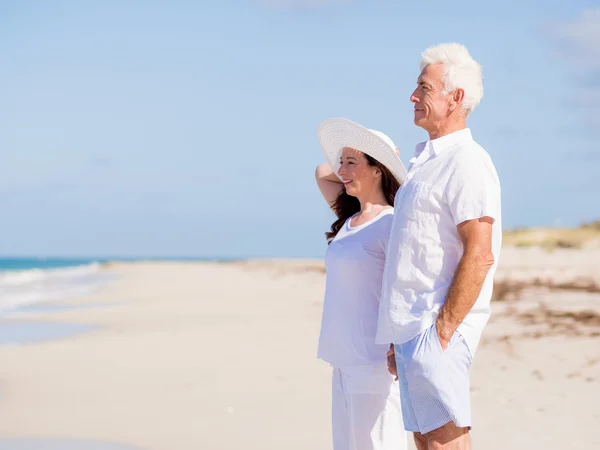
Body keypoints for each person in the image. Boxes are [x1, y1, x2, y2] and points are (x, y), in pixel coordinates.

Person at [376, 43, 502, 450]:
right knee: (426, 441)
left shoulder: (467, 160)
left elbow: (480, 252)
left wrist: (442, 332)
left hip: (436, 328)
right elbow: (413, 256)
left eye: (424, 88)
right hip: (414, 329)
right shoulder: (423, 164)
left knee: (444, 441)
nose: (413, 96)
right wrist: (401, 336)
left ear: (456, 97)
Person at [315, 118, 408, 450]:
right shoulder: (350, 219)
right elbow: (320, 171)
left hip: (374, 363)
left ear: (378, 170)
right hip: (342, 359)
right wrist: (353, 159)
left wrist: (384, 155)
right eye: (342, 162)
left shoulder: (392, 222)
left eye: (351, 162)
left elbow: (405, 289)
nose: (341, 170)